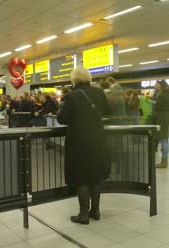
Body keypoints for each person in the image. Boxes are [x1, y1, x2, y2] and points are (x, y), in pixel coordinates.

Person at [57, 67, 110, 225]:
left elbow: (62, 119)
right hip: (98, 140)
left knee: (82, 178)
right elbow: (107, 111)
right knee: (95, 176)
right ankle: (95, 211)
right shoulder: (99, 92)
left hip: (79, 142)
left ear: (74, 79)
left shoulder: (72, 96)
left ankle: (83, 214)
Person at [155, 81, 169, 168]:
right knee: (165, 139)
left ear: (162, 86)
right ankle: (164, 160)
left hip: (161, 117)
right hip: (166, 116)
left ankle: (164, 161)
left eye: (158, 84)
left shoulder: (162, 95)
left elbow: (157, 107)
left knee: (163, 140)